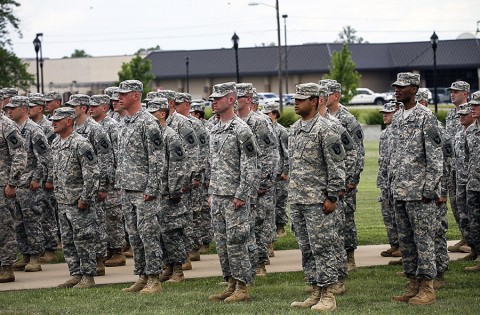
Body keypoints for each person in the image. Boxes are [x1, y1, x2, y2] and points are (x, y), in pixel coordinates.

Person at [289, 83, 345, 312]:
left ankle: (329, 295)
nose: (296, 103)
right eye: (295, 99)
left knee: (323, 247)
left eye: (301, 99)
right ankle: (315, 290)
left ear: (314, 101)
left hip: (318, 201)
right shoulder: (294, 129)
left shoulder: (326, 129)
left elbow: (337, 167)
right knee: (307, 248)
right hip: (299, 199)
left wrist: (332, 196)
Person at [389, 72, 443, 305]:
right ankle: (413, 284)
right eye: (396, 86)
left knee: (423, 241)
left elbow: (435, 157)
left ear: (414, 89)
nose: (397, 90)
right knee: (407, 242)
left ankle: (428, 287)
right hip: (400, 191)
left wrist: (429, 190)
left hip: (419, 193)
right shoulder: (399, 116)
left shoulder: (426, 117)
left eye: (402, 87)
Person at [207, 82, 257, 302]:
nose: (213, 102)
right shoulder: (215, 128)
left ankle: (243, 287)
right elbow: (213, 164)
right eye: (212, 99)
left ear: (230, 100)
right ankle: (231, 283)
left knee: (237, 242)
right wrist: (211, 192)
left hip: (234, 196)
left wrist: (242, 194)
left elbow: (250, 164)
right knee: (222, 243)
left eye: (218, 98)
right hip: (218, 195)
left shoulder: (241, 129)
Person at [116, 80, 163, 294]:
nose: (119, 98)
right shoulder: (124, 123)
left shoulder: (148, 123)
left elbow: (157, 159)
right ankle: (142, 276)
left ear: (136, 95)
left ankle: (154, 279)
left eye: (123, 94)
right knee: (134, 235)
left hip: (144, 191)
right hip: (127, 188)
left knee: (148, 234)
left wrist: (152, 188)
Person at [65, 94, 115, 276]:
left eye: (74, 106)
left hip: (93, 184)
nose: (70, 109)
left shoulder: (95, 129)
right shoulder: (72, 128)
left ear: (84, 108)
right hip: (76, 186)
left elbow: (106, 159)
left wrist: (103, 186)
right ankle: (82, 262)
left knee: (97, 222)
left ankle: (99, 259)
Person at [51, 107, 99, 289]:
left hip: (78, 202)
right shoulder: (56, 143)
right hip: (63, 200)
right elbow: (55, 171)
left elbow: (92, 173)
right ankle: (75, 273)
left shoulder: (81, 143)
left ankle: (88, 276)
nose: (53, 122)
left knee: (83, 239)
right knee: (68, 241)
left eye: (58, 119)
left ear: (69, 121)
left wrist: (85, 197)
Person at [5, 96, 52, 273]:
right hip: (16, 184)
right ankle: (25, 253)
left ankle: (35, 256)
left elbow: (45, 157)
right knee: (18, 222)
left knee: (32, 220)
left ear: (23, 109)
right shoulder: (13, 129)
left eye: (13, 108)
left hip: (30, 184)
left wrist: (37, 178)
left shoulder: (34, 130)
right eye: (8, 108)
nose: (9, 111)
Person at [236, 83, 278, 278]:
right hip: (239, 185)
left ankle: (260, 264)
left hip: (259, 185)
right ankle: (244, 268)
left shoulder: (260, 122)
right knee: (242, 227)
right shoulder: (233, 122)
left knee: (259, 224)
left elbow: (271, 154)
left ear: (249, 99)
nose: (236, 100)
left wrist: (263, 183)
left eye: (239, 97)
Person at [324, 79, 364, 272]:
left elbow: (358, 151)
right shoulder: (321, 117)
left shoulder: (347, 120)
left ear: (336, 96)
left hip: (346, 181)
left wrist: (352, 180)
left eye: (327, 93)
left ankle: (349, 257)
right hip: (329, 181)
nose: (322, 97)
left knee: (346, 219)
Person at [147, 97, 188, 283]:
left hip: (169, 193)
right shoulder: (153, 134)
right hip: (156, 192)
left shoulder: (170, 136)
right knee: (161, 232)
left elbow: (177, 166)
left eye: (152, 113)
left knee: (172, 232)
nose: (149, 116)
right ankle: (168, 267)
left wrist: (174, 191)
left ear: (162, 114)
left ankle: (178, 270)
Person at [160, 90, 199, 270]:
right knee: (166, 224)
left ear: (169, 103)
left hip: (180, 182)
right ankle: (170, 261)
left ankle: (185, 257)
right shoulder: (156, 125)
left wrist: (186, 179)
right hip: (163, 183)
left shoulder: (183, 124)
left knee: (181, 222)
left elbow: (193, 153)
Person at [89, 95, 127, 267]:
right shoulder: (91, 125)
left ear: (104, 108)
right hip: (98, 178)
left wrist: (114, 178)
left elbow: (117, 154)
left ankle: (118, 251)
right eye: (89, 106)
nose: (91, 108)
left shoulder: (111, 125)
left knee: (113, 216)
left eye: (95, 106)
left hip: (111, 179)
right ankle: (107, 250)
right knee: (101, 217)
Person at [27, 93, 59, 263]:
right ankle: (36, 246)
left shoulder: (48, 126)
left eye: (31, 107)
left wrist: (50, 179)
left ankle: (50, 248)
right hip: (34, 177)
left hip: (46, 177)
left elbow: (50, 155)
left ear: (39, 109)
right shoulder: (28, 126)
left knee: (47, 213)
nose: (28, 109)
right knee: (36, 214)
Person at [0, 91, 27, 283]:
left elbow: (20, 154)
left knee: (4, 228)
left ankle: (6, 267)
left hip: (3, 186)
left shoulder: (6, 125)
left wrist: (12, 182)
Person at [446, 81, 471, 253]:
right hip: (452, 166)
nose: (452, 94)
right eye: (451, 91)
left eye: (456, 91)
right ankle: (465, 237)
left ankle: (473, 241)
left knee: (468, 204)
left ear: (466, 93)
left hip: (466, 167)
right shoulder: (450, 115)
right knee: (456, 204)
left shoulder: (471, 111)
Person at [376, 102, 401, 258]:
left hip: (397, 181)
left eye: (388, 112)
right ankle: (394, 244)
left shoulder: (400, 132)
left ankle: (403, 246)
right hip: (385, 181)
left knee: (398, 215)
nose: (384, 115)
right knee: (388, 214)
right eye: (383, 113)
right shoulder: (384, 134)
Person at [262, 102, 289, 238]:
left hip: (279, 173)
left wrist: (285, 171)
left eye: (268, 113)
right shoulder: (264, 130)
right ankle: (271, 227)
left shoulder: (282, 131)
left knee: (280, 201)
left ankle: (280, 226)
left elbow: (287, 153)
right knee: (269, 202)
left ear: (275, 114)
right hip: (269, 173)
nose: (266, 116)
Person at [454, 103, 477, 263]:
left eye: (465, 114)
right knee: (468, 218)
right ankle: (474, 249)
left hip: (473, 181)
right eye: (460, 115)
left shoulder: (473, 133)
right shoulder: (463, 134)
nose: (461, 117)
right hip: (466, 182)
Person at [464, 91, 480, 271]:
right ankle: (477, 253)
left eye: (476, 105)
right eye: (472, 105)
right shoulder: (470, 131)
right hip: (473, 184)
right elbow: (468, 159)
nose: (472, 108)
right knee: (474, 222)